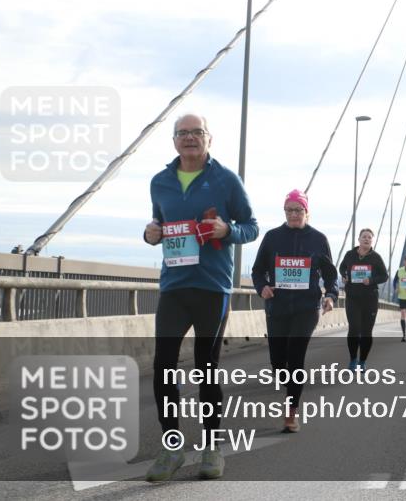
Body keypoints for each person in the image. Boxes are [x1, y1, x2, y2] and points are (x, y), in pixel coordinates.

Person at [142, 113, 258, 481]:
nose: (189, 138)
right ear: (174, 140)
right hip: (174, 287)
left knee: (206, 368)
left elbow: (251, 227)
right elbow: (158, 225)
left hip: (212, 287)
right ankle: (172, 447)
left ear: (209, 138)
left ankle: (211, 447)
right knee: (163, 366)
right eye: (182, 133)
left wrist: (228, 230)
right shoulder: (160, 182)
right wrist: (150, 234)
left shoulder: (226, 180)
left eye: (197, 132)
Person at [251, 190, 336, 432]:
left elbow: (330, 275)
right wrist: (262, 287)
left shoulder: (318, 239)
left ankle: (291, 413)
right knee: (278, 363)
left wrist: (330, 295)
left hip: (306, 309)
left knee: (296, 358)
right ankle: (286, 383)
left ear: (307, 212)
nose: (293, 214)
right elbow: (257, 271)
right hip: (277, 308)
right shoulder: (272, 237)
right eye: (289, 210)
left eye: (298, 210)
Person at [339, 228, 389, 370]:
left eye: (369, 237)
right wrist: (344, 275)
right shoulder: (350, 254)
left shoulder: (376, 257)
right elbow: (342, 268)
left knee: (366, 332)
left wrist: (371, 280)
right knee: (354, 329)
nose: (366, 239)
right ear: (359, 239)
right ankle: (353, 360)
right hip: (352, 298)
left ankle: (362, 361)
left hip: (370, 299)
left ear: (372, 241)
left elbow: (384, 276)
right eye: (364, 237)